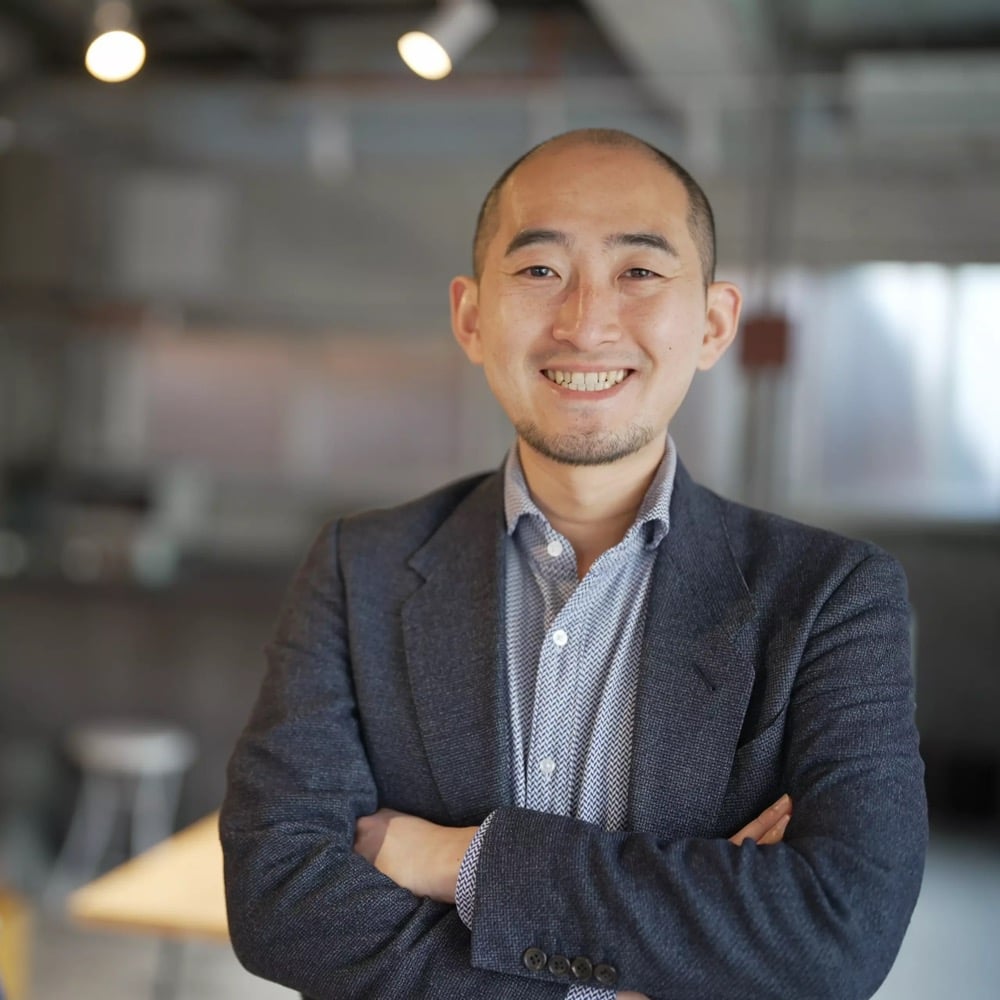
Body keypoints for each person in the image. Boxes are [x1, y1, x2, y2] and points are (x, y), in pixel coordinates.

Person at [220, 128, 927, 1000]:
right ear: (471, 318)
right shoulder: (357, 569)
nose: (586, 323)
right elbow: (279, 898)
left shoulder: (831, 597)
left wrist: (452, 858)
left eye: (639, 272)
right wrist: (639, 970)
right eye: (539, 270)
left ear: (713, 323)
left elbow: (838, 931)